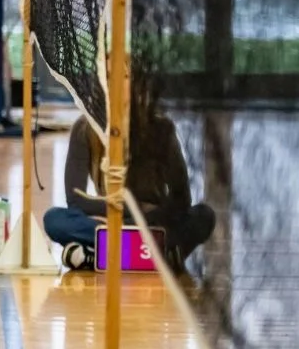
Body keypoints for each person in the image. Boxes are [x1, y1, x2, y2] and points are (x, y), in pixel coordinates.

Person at [43, 89, 215, 272]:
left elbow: (181, 199)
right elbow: (76, 200)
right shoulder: (84, 128)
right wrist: (117, 218)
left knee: (204, 216)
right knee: (54, 219)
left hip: (151, 223)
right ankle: (156, 257)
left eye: (125, 75)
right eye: (107, 75)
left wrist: (131, 224)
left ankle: (96, 255)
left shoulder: (161, 128)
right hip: (110, 221)